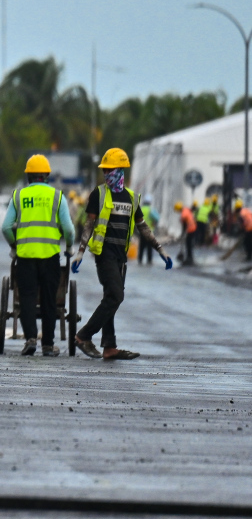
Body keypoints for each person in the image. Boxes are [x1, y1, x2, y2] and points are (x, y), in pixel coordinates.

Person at [72, 147, 171, 361]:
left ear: (121, 170)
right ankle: (83, 336)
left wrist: (160, 250)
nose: (107, 174)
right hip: (104, 254)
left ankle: (109, 346)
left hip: (120, 258)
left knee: (111, 298)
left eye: (111, 169)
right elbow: (89, 225)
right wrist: (80, 252)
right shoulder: (98, 194)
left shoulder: (132, 198)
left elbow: (143, 227)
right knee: (116, 296)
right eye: (104, 170)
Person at [1, 154, 74, 356]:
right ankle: (48, 345)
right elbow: (68, 230)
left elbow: (6, 227)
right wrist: (68, 248)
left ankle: (31, 339)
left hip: (25, 257)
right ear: (47, 176)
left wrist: (14, 246)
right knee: (50, 300)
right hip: (50, 257)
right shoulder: (57, 197)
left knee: (27, 298)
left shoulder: (18, 196)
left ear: (29, 177)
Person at [136, 193, 160, 266]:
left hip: (141, 231)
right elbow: (157, 218)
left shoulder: (141, 209)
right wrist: (154, 224)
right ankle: (149, 260)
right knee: (149, 247)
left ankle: (140, 260)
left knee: (141, 247)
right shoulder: (151, 210)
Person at [177, 201, 197, 266]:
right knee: (188, 244)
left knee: (188, 244)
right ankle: (189, 257)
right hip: (193, 228)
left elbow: (184, 224)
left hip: (191, 229)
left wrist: (183, 233)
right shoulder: (186, 210)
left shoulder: (183, 213)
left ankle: (189, 258)